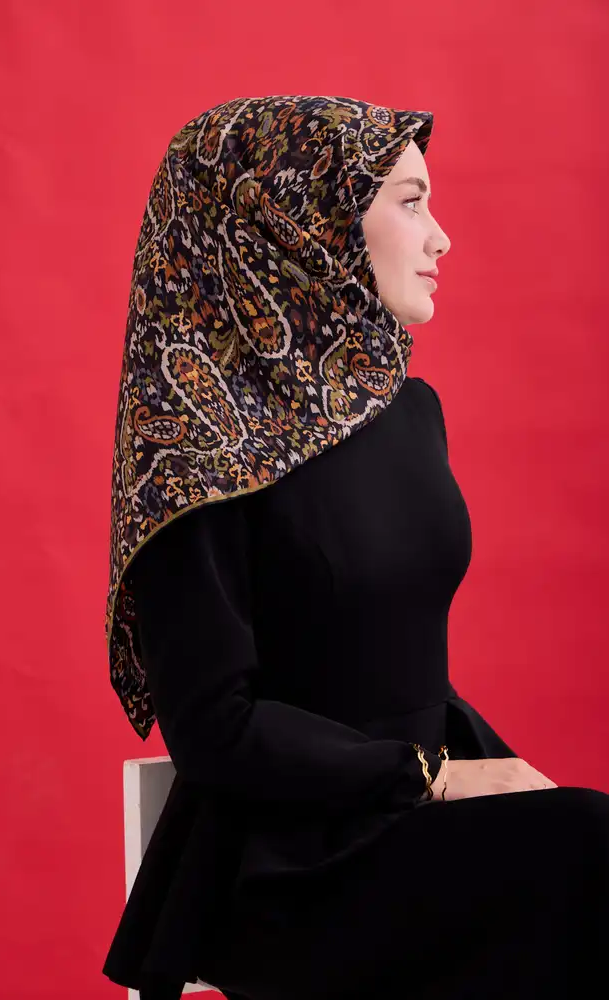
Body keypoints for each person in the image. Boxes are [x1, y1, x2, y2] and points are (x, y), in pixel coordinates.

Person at [101, 95, 609, 1000]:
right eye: (411, 203)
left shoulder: (408, 412)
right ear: (297, 227)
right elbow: (215, 729)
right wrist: (438, 779)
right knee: (591, 849)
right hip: (289, 865)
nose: (441, 237)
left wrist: (485, 773)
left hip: (416, 825)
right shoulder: (197, 453)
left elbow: (389, 659)